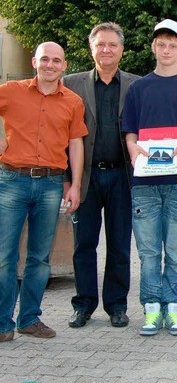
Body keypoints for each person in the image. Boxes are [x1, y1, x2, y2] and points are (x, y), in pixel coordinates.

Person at [122, 19, 177, 337]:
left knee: (174, 250)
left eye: (173, 44)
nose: (167, 49)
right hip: (144, 182)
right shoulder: (139, 88)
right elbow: (130, 130)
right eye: (161, 44)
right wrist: (133, 150)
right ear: (153, 47)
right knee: (147, 252)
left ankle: (174, 309)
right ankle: (151, 309)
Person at [0, 42, 88, 342]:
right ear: (35, 61)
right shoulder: (10, 91)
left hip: (51, 184)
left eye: (57, 60)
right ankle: (2, 324)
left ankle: (29, 319)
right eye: (45, 59)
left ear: (64, 66)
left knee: (40, 257)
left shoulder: (73, 102)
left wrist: (75, 185)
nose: (50, 65)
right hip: (12, 180)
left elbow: (76, 144)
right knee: (4, 256)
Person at [63, 22, 139, 329]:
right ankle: (83, 305)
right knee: (83, 244)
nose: (106, 50)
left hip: (123, 176)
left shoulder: (137, 85)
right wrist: (69, 181)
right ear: (91, 48)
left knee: (120, 244)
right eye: (100, 44)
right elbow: (62, 135)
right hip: (87, 176)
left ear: (121, 49)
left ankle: (117, 305)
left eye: (112, 44)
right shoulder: (71, 83)